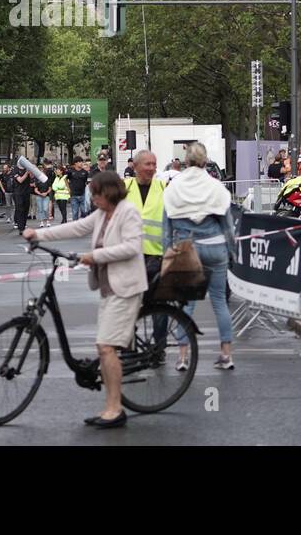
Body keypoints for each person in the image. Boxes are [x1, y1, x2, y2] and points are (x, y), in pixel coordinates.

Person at [25, 170, 146, 428]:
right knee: (104, 345)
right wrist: (39, 234)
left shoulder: (128, 212)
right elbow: (77, 227)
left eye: (96, 194)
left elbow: (132, 247)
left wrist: (95, 256)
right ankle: (112, 404)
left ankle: (115, 410)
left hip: (125, 286)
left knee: (105, 347)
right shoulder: (102, 214)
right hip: (107, 286)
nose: (92, 199)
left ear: (109, 193)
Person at [163, 141, 235, 370]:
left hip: (187, 247)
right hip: (215, 247)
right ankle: (226, 354)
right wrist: (232, 251)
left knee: (187, 304)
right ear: (205, 161)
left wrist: (167, 250)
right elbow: (228, 225)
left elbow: (167, 226)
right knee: (219, 302)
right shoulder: (215, 187)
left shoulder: (175, 186)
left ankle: (183, 357)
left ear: (186, 161)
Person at [125, 150, 165, 282]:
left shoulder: (164, 187)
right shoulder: (123, 187)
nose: (152, 168)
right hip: (129, 253)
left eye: (154, 164)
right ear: (135, 166)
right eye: (148, 164)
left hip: (156, 255)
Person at [11, 160, 33, 235]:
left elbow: (32, 177)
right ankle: (21, 228)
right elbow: (20, 180)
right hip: (18, 193)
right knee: (20, 210)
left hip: (26, 192)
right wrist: (27, 173)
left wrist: (32, 171)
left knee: (26, 209)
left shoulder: (27, 169)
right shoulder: (15, 170)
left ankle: (23, 225)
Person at [67, 159, 90, 224]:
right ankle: (75, 227)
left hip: (83, 194)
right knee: (75, 212)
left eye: (81, 162)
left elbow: (87, 182)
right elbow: (65, 179)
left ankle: (84, 226)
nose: (81, 163)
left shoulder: (85, 172)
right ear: (75, 163)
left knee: (84, 211)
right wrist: (68, 188)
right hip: (74, 195)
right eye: (79, 162)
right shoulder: (70, 172)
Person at [33, 160, 53, 227]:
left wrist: (46, 193)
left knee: (45, 209)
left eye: (42, 171)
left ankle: (48, 221)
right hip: (39, 196)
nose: (41, 173)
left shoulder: (47, 179)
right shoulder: (37, 179)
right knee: (40, 209)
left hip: (46, 196)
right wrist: (40, 193)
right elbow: (35, 189)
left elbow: (50, 188)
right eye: (40, 172)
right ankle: (41, 222)